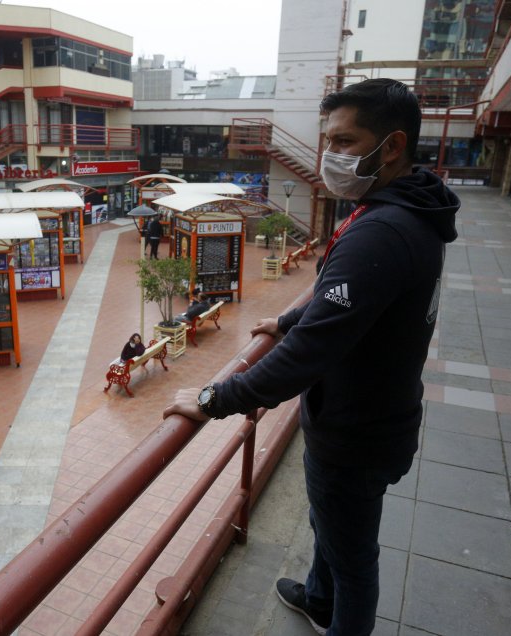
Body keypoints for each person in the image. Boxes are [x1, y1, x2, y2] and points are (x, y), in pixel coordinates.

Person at [163, 78, 459, 636]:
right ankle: (318, 599)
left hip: (355, 432)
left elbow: (309, 352)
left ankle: (337, 611)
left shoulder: (383, 231)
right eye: (328, 141)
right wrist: (289, 317)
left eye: (345, 142)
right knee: (333, 525)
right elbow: (345, 304)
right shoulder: (405, 211)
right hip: (375, 416)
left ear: (392, 146)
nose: (330, 156)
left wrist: (213, 398)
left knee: (353, 556)